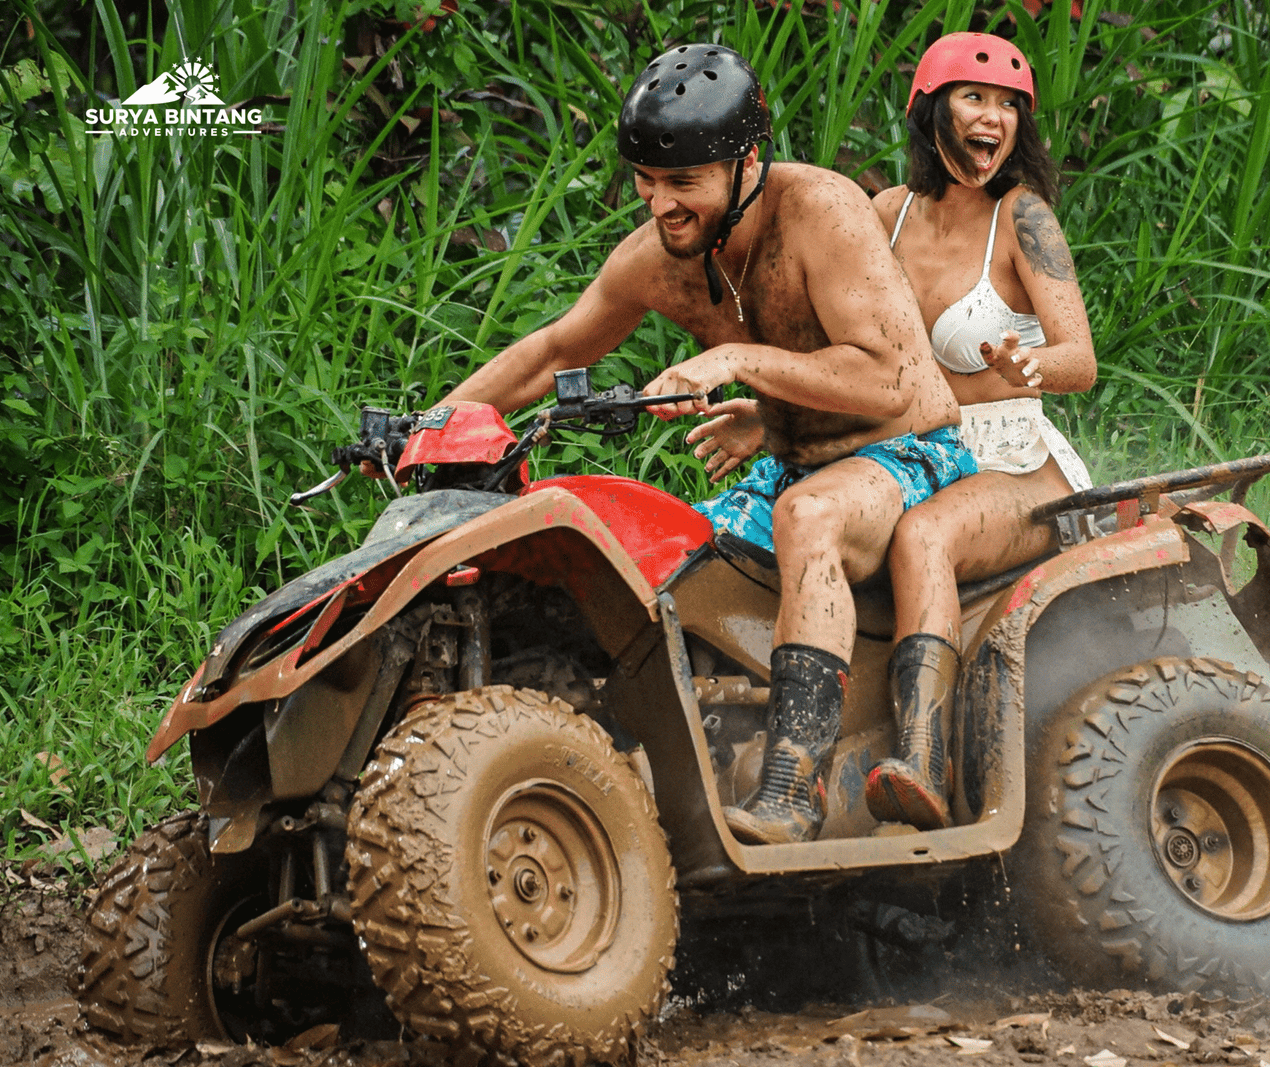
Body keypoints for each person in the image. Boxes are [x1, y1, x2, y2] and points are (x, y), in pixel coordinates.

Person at [438, 44, 972, 846]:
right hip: (794, 465)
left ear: (746, 162)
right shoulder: (658, 256)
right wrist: (435, 424)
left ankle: (793, 791)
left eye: (684, 182)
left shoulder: (821, 211)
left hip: (912, 453)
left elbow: (891, 379)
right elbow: (554, 352)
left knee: (808, 516)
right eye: (647, 182)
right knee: (662, 564)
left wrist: (737, 360)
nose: (662, 205)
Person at [692, 32, 1098, 832]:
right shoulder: (885, 213)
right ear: (929, 110)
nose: (993, 118)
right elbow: (859, 360)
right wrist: (769, 417)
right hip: (905, 448)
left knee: (923, 538)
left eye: (1009, 105)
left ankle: (922, 760)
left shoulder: (1022, 217)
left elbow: (1080, 358)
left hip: (1013, 456)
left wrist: (1031, 365)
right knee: (735, 533)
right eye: (974, 98)